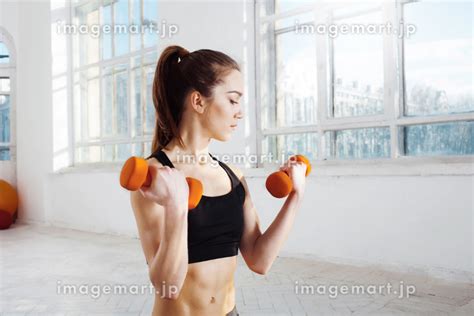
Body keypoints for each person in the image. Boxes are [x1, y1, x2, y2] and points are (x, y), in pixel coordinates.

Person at [130, 45, 307, 316]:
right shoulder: (154, 177)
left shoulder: (234, 178)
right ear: (198, 102)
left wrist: (296, 196)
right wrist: (177, 208)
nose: (240, 112)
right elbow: (167, 286)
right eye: (233, 100)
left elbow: (260, 260)